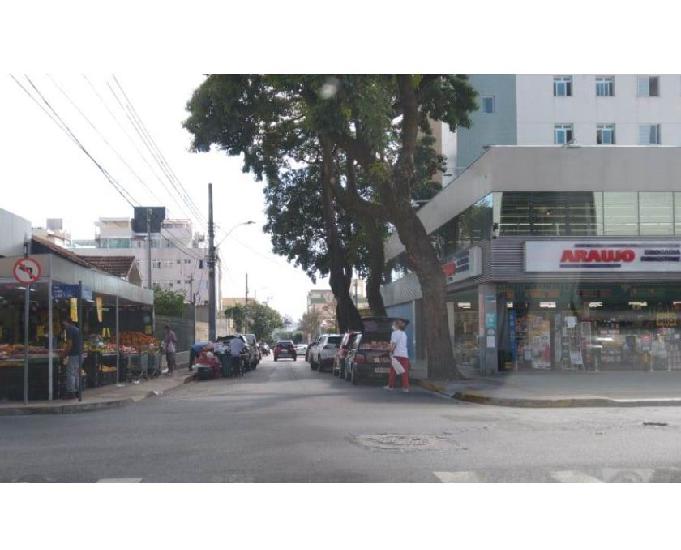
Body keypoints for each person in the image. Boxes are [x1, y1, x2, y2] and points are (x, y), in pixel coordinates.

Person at [60, 318, 82, 400]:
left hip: (74, 355)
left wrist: (64, 354)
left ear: (67, 322)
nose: (63, 326)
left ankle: (71, 393)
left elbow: (69, 344)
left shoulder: (69, 329)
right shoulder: (77, 329)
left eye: (63, 324)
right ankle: (78, 392)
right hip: (80, 354)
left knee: (71, 374)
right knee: (76, 374)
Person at [386, 319, 410, 392]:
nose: (392, 326)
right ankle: (406, 388)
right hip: (405, 355)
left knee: (393, 371)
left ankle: (390, 386)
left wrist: (389, 350)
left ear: (396, 326)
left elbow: (393, 345)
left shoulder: (394, 333)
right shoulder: (404, 334)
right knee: (404, 372)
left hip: (397, 355)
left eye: (393, 324)